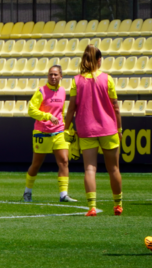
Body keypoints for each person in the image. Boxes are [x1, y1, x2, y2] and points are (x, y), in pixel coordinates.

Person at [63, 44, 123, 216]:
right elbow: (116, 107)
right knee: (113, 169)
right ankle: (118, 204)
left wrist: (66, 128)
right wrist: (119, 128)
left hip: (86, 129)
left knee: (90, 169)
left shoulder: (76, 80)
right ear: (99, 60)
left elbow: (71, 108)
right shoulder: (107, 79)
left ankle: (91, 207)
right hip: (108, 128)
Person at [23, 65, 77, 204]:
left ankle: (63, 195)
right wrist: (47, 116)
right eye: (50, 74)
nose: (53, 77)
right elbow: (31, 110)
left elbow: (61, 112)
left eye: (55, 74)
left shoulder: (63, 92)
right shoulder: (41, 91)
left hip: (58, 131)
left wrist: (65, 128)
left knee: (64, 161)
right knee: (36, 164)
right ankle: (27, 192)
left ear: (61, 76)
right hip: (42, 133)